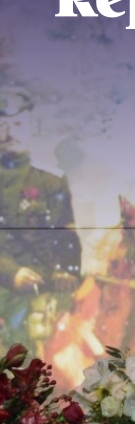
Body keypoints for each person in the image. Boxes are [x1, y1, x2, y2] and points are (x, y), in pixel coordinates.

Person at [0, 88, 81, 354]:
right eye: (3, 125)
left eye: (18, 125)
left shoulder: (51, 180)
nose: (10, 132)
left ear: (29, 128)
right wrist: (12, 273)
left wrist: (65, 269)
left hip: (48, 283)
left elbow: (66, 234)